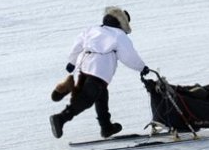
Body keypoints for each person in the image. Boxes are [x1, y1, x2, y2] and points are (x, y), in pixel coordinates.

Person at [50, 7, 151, 139]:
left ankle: (106, 127)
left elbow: (78, 44)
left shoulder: (93, 29)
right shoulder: (119, 35)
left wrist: (72, 62)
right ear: (123, 23)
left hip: (83, 66)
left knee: (101, 96)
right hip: (99, 70)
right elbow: (129, 56)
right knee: (87, 97)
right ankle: (61, 118)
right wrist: (141, 67)